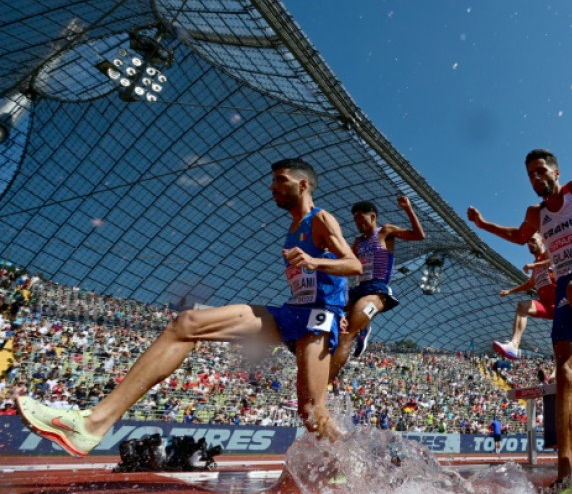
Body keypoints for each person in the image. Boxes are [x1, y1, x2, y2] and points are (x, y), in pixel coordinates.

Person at [16, 158, 362, 457]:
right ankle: (92, 425)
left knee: (312, 412)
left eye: (280, 181)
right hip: (292, 311)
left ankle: (354, 461)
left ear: (303, 185)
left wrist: (315, 262)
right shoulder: (292, 228)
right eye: (273, 181)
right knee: (186, 324)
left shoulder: (321, 218)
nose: (272, 187)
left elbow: (354, 265)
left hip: (319, 318)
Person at [467, 148, 572, 487]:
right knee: (566, 377)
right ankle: (565, 476)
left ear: (556, 172)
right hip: (565, 295)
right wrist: (483, 225)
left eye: (541, 170)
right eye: (531, 174)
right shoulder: (536, 213)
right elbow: (517, 236)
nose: (536, 177)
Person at [329, 196, 424, 380]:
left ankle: (327, 382)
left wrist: (408, 209)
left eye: (361, 219)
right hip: (358, 289)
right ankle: (363, 329)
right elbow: (348, 263)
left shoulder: (385, 231)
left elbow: (419, 236)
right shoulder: (358, 242)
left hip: (376, 289)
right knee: (324, 311)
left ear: (372, 217)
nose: (358, 224)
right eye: (355, 220)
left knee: (347, 335)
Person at [492, 233, 555, 360]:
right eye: (528, 242)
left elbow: (556, 260)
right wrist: (510, 291)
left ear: (542, 241)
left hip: (562, 304)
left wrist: (534, 265)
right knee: (523, 306)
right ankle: (514, 345)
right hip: (547, 306)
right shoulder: (535, 265)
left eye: (533, 240)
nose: (530, 244)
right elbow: (530, 284)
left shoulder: (548, 254)